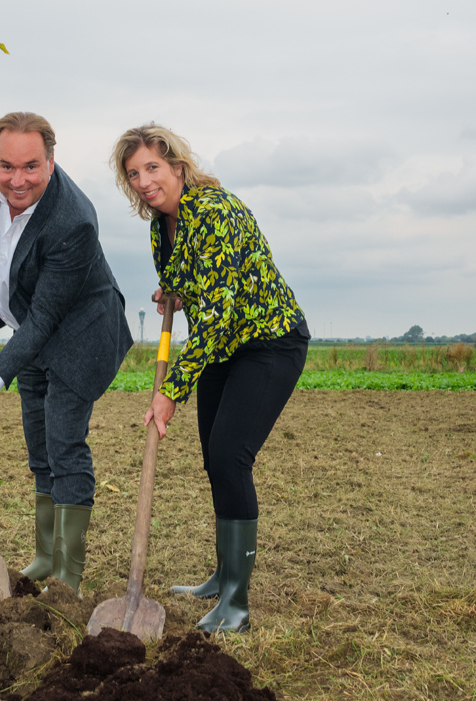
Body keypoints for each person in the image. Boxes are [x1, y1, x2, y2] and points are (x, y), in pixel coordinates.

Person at [111, 122, 310, 633]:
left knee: (230, 455)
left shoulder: (215, 212)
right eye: (133, 173)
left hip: (268, 343)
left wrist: (172, 391)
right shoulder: (163, 224)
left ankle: (236, 606)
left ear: (178, 166)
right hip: (224, 348)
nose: (143, 181)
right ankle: (223, 576)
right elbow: (184, 283)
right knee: (215, 459)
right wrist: (171, 293)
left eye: (152, 167)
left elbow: (221, 314)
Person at [0, 112, 133, 595]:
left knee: (64, 444)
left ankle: (67, 573)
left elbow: (48, 319)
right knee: (38, 446)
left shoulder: (73, 221)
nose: (17, 179)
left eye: (31, 167)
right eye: (6, 167)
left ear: (51, 160)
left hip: (80, 334)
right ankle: (45, 556)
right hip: (28, 329)